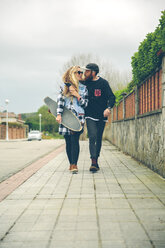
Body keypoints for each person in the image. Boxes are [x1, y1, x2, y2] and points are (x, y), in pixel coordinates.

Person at [82, 63, 115, 172]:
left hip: (101, 115)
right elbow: (71, 81)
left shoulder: (103, 83)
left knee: (98, 138)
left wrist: (108, 108)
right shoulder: (85, 83)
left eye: (87, 71)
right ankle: (93, 161)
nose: (85, 73)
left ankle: (96, 158)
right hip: (90, 115)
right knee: (92, 135)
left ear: (93, 72)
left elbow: (111, 97)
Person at [56, 66, 88, 173]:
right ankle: (71, 163)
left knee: (75, 141)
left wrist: (77, 95)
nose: (80, 74)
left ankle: (74, 164)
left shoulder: (83, 88)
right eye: (77, 72)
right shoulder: (63, 87)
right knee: (68, 142)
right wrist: (59, 114)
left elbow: (86, 104)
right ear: (72, 74)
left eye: (81, 72)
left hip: (78, 117)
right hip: (66, 118)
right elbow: (60, 101)